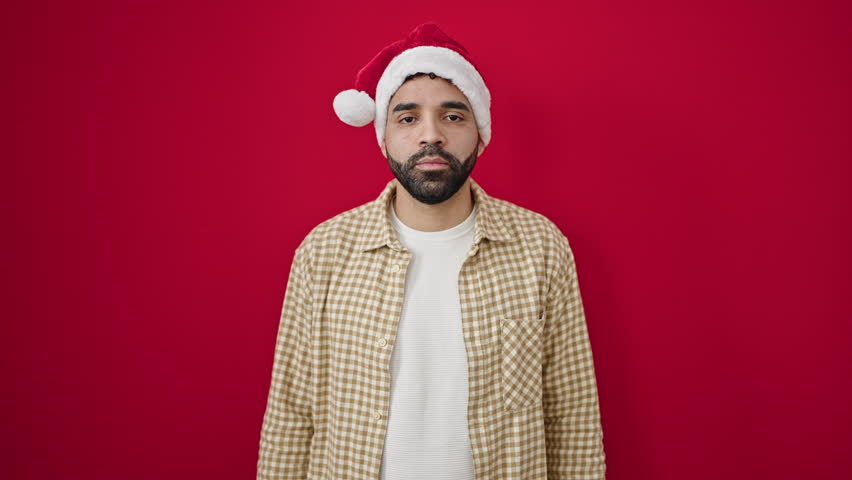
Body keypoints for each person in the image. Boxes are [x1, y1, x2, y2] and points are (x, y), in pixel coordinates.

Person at [256, 22, 607, 480]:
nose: (431, 135)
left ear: (480, 134)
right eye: (407, 118)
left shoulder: (540, 247)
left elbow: (571, 416)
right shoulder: (323, 252)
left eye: (453, 116)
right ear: (383, 137)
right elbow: (290, 415)